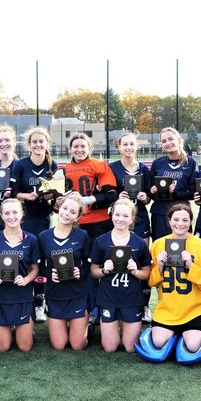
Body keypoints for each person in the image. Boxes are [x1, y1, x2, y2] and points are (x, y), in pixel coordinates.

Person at [57, 133, 117, 320]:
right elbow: (57, 201)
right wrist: (58, 201)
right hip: (76, 226)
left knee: (102, 265)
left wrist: (89, 199)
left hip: (99, 224)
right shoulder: (64, 170)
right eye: (75, 146)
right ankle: (83, 307)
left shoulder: (99, 166)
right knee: (79, 267)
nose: (79, 149)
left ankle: (104, 306)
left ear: (90, 148)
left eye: (83, 146)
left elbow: (111, 196)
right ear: (70, 149)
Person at [148, 203, 201, 353]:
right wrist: (159, 266)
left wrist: (191, 265)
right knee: (158, 343)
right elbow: (150, 281)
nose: (180, 224)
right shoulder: (158, 245)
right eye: (176, 219)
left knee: (193, 346)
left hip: (195, 309)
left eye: (185, 220)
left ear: (191, 221)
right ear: (169, 221)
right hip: (168, 308)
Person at [89, 200, 152, 353]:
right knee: (110, 348)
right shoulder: (101, 241)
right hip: (108, 297)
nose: (120, 219)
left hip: (131, 298)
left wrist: (136, 271)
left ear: (132, 219)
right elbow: (93, 271)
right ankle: (104, 326)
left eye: (125, 216)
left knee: (130, 348)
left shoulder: (139, 243)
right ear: (112, 215)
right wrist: (104, 270)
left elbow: (147, 273)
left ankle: (125, 323)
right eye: (117, 214)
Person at [11, 126, 58, 323]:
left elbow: (57, 192)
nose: (38, 145)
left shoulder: (52, 165)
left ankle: (39, 302)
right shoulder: (20, 165)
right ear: (29, 144)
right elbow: (13, 192)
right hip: (25, 219)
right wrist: (27, 196)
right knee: (25, 259)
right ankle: (21, 301)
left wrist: (51, 196)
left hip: (44, 219)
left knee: (42, 261)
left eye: (42, 141)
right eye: (35, 142)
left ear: (46, 143)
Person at [0, 198, 41, 352]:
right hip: (0, 296)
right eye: (7, 213)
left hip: (22, 296)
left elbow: (35, 268)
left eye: (15, 212)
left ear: (22, 214)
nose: (11, 216)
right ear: (1, 215)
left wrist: (26, 279)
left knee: (25, 347)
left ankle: (26, 330)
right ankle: (11, 328)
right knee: (3, 347)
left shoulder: (31, 239)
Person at [38, 192, 92, 351]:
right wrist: (49, 274)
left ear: (77, 217)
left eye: (73, 212)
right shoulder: (43, 236)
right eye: (65, 208)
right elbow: (39, 265)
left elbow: (90, 263)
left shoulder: (82, 236)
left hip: (77, 293)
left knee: (77, 345)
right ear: (59, 207)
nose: (67, 213)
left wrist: (79, 272)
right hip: (55, 294)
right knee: (59, 345)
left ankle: (86, 327)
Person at [108, 132, 153, 322]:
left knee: (142, 262)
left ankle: (144, 305)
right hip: (119, 220)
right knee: (117, 259)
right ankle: (119, 302)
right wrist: (117, 197)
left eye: (131, 144)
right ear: (119, 146)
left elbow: (151, 196)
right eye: (124, 144)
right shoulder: (112, 168)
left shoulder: (144, 168)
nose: (128, 147)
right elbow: (108, 195)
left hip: (140, 219)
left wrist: (146, 197)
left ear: (136, 147)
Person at [149, 127, 197, 241]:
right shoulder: (157, 163)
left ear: (179, 140)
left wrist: (176, 192)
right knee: (160, 248)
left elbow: (194, 191)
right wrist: (152, 191)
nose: (168, 143)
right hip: (160, 213)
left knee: (183, 251)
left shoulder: (190, 162)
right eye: (164, 141)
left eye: (171, 139)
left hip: (182, 214)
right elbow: (149, 189)